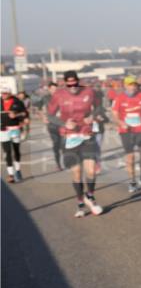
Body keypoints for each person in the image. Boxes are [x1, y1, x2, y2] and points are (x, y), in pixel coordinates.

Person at [47, 71, 103, 217]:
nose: (72, 86)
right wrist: (64, 123)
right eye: (69, 84)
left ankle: (90, 195)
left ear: (79, 81)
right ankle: (80, 202)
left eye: (75, 83)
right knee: (77, 173)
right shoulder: (58, 95)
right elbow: (50, 116)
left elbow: (99, 107)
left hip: (86, 134)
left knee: (91, 170)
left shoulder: (89, 91)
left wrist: (93, 115)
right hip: (69, 137)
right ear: (65, 83)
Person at [112, 75, 141, 193]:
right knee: (130, 157)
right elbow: (114, 115)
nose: (132, 87)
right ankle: (132, 181)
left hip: (140, 129)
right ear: (125, 85)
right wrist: (121, 122)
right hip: (126, 131)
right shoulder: (119, 98)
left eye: (134, 84)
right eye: (130, 84)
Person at [1, 87, 26, 183]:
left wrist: (16, 115)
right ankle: (11, 174)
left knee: (16, 151)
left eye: (5, 93)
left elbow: (24, 113)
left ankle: (18, 170)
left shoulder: (17, 102)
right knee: (7, 152)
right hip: (2, 130)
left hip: (14, 129)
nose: (3, 95)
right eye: (2, 93)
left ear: (10, 93)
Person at [39, 82, 63, 169]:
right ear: (49, 89)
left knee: (63, 143)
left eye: (56, 89)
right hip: (52, 124)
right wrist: (43, 118)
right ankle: (58, 163)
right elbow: (39, 109)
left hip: (62, 123)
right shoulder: (45, 98)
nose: (54, 91)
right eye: (52, 89)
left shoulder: (62, 97)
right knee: (56, 143)